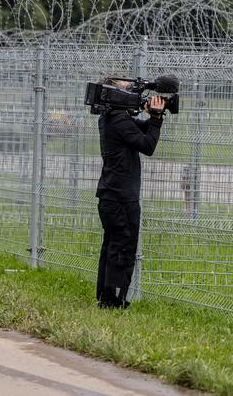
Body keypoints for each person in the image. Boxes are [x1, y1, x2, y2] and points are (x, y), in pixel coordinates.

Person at [95, 80, 165, 308]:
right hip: (121, 197)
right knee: (122, 247)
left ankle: (106, 297)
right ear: (114, 95)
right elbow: (147, 145)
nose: (132, 94)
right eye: (128, 90)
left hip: (111, 195)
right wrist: (155, 119)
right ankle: (114, 301)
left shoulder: (111, 118)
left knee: (112, 247)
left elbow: (137, 131)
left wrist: (153, 115)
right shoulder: (119, 121)